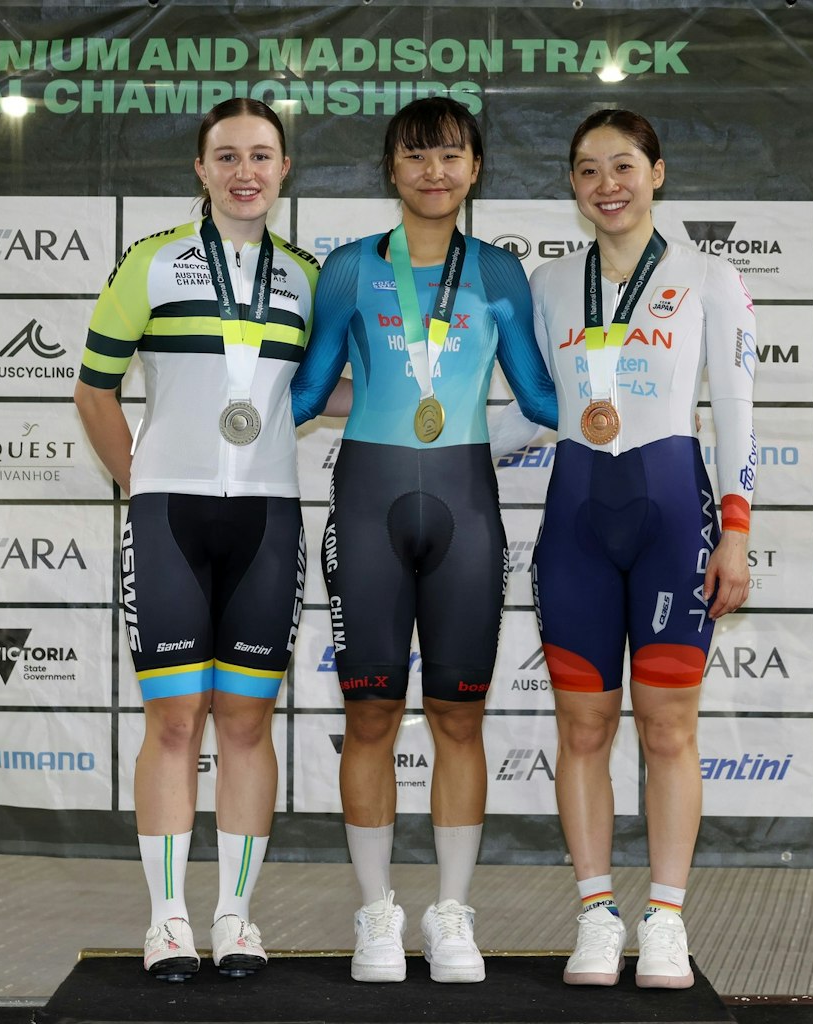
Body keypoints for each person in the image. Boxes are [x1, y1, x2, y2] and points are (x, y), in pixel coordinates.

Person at [292, 96, 558, 984]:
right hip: (366, 504)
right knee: (368, 714)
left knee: (458, 715)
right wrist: (212, 414)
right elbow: (301, 394)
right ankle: (375, 914)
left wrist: (637, 404)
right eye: (417, 157)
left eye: (450, 155)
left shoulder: (499, 273)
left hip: (468, 510)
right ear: (391, 171)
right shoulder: (347, 271)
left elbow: (541, 399)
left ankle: (451, 913)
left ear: (475, 167)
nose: (434, 171)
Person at [74, 98, 319, 982]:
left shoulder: (306, 277)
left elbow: (324, 386)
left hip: (269, 513)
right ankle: (169, 918)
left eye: (261, 155)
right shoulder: (150, 264)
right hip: (170, 515)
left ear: (284, 169)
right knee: (174, 721)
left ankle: (236, 918)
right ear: (201, 169)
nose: (244, 171)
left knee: (248, 723)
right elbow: (95, 391)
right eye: (226, 157)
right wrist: (139, 484)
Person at [527, 109, 756, 989]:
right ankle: (594, 913)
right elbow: (535, 408)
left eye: (623, 166)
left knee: (668, 730)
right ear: (573, 187)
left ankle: (664, 914)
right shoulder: (549, 286)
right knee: (582, 729)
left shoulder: (708, 277)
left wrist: (735, 529)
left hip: (673, 521)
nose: (606, 185)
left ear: (657, 173)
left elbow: (736, 412)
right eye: (587, 171)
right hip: (575, 524)